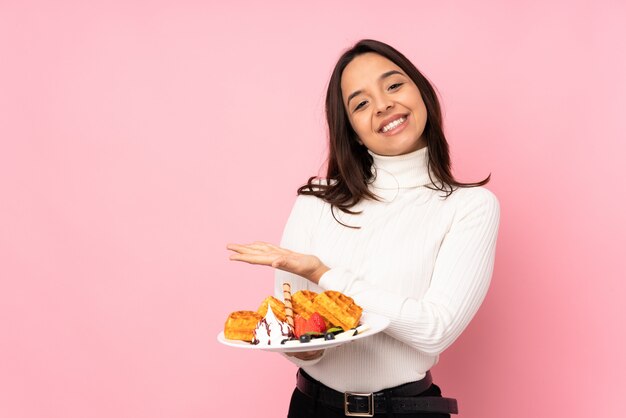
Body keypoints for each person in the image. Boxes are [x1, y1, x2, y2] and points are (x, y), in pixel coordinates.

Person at [227, 39, 500, 417]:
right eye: (361, 103)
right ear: (353, 130)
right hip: (313, 407)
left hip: (408, 410)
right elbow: (300, 330)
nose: (384, 104)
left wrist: (323, 274)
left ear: (421, 93)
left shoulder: (469, 208)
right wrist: (300, 345)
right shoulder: (317, 200)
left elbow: (436, 328)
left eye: (393, 85)